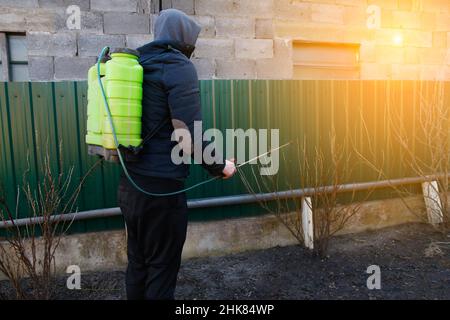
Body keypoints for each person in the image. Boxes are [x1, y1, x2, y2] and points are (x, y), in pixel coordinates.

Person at [117, 9, 236, 300]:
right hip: (161, 191)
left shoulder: (139, 64)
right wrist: (221, 166)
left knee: (139, 263)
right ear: (183, 37)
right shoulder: (177, 65)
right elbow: (188, 136)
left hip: (129, 186)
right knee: (161, 267)